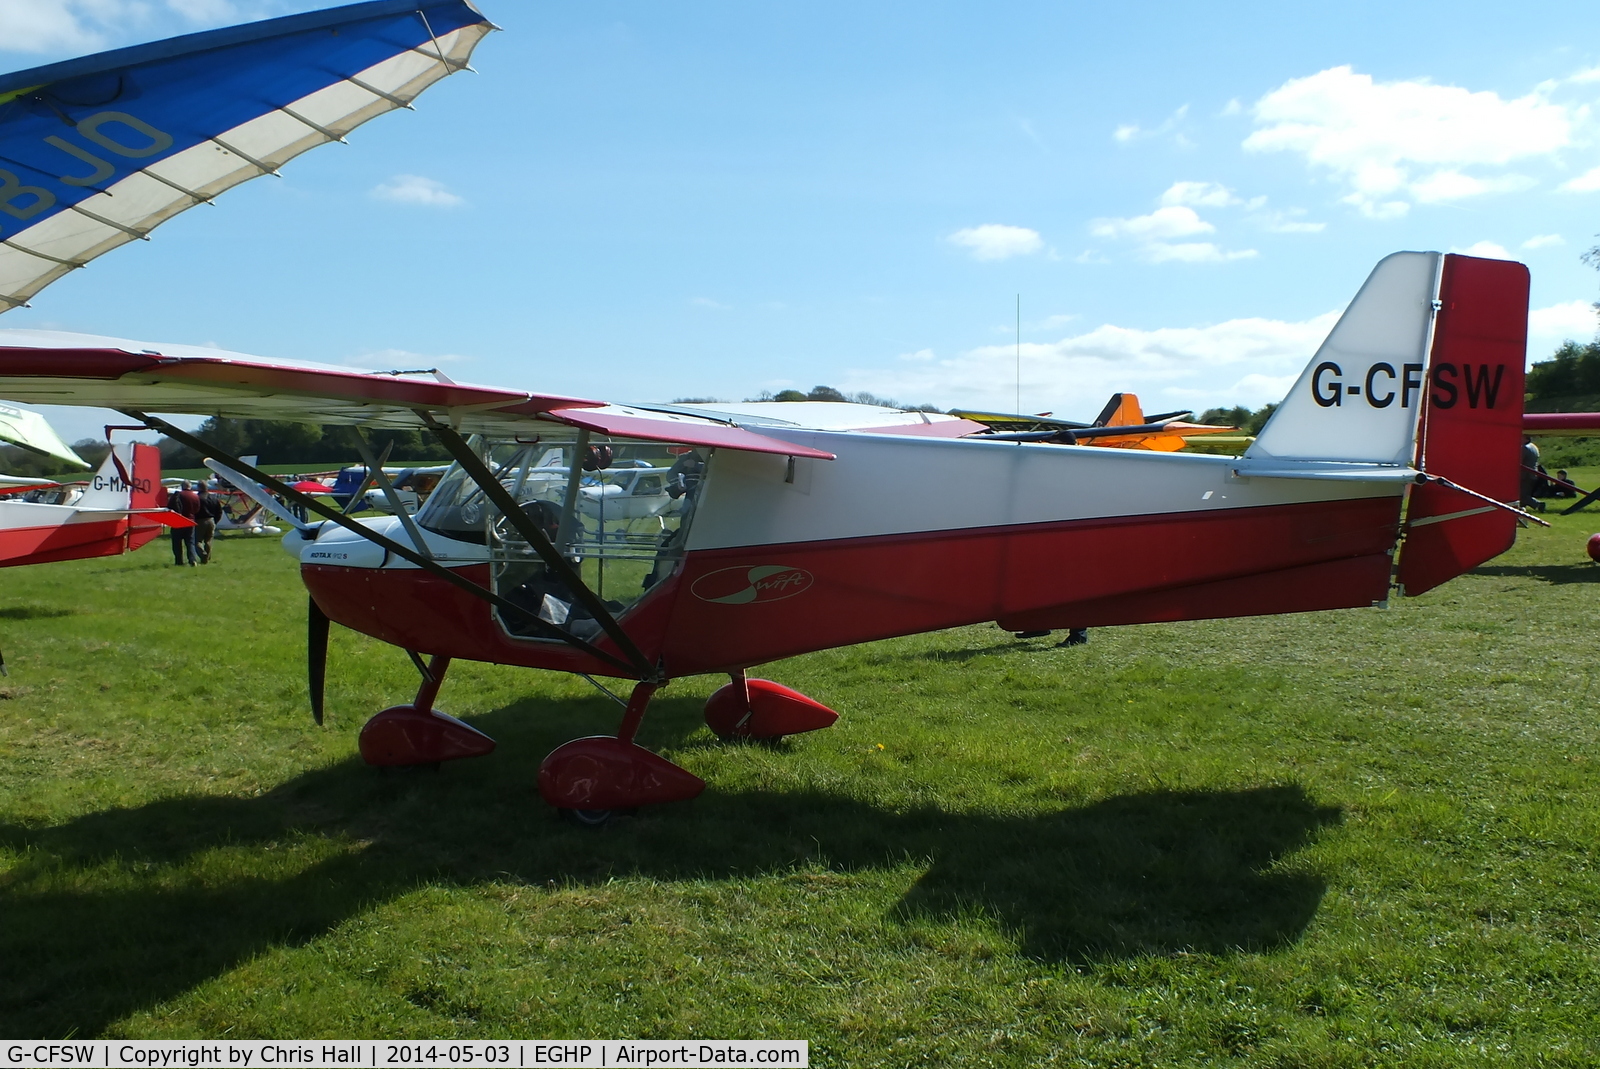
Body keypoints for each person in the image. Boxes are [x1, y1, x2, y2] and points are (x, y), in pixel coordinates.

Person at [169, 480, 200, 566]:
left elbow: (170, 507)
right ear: (190, 487)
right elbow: (197, 509)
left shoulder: (177, 495)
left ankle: (179, 561)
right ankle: (192, 559)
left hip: (178, 521)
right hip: (190, 521)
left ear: (182, 486)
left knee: (177, 542)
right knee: (190, 542)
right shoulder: (195, 496)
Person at [195, 481, 223, 563]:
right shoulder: (214, 498)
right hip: (211, 520)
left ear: (199, 488)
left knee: (197, 541)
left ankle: (203, 554)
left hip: (200, 520)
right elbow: (219, 511)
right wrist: (215, 521)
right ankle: (207, 558)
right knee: (208, 540)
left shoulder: (197, 498)